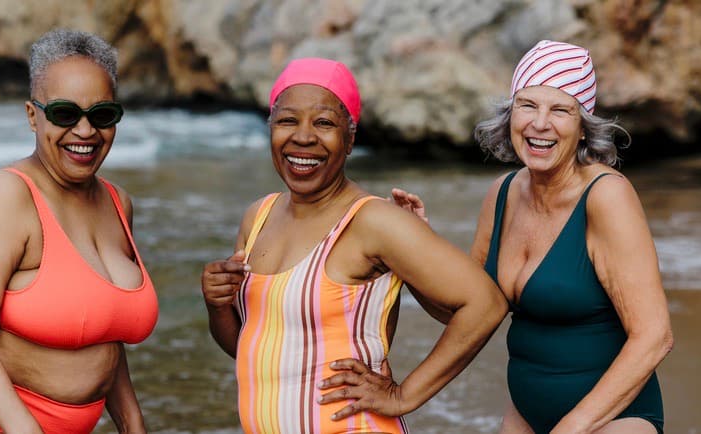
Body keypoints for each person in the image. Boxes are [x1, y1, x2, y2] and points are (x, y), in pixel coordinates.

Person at [200, 57, 508, 433]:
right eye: (287, 120)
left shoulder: (373, 221)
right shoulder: (257, 216)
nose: (303, 137)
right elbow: (252, 350)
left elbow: (484, 304)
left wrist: (403, 395)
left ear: (350, 139)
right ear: (270, 129)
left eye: (324, 123)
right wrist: (217, 306)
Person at [388, 40, 673, 433]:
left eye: (560, 110)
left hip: (612, 421)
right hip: (526, 416)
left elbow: (654, 337)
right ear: (510, 115)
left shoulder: (607, 196)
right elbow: (468, 315)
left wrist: (572, 428)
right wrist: (416, 247)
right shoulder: (502, 194)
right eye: (527, 105)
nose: (540, 123)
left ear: (583, 127)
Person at [0, 29, 158, 434]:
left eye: (102, 115)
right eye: (65, 114)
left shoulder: (118, 203)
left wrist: (133, 423)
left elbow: (107, 332)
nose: (85, 131)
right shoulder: (3, 196)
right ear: (33, 116)